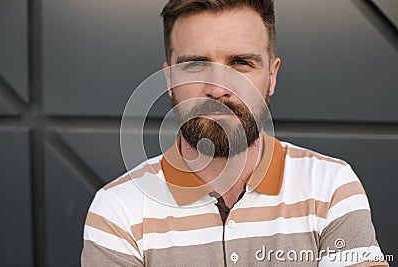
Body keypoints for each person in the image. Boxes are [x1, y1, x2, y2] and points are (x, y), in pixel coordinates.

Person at [81, 0, 388, 266]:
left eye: (241, 63)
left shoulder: (331, 187)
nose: (217, 89)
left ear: (271, 77)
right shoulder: (116, 210)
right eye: (196, 65)